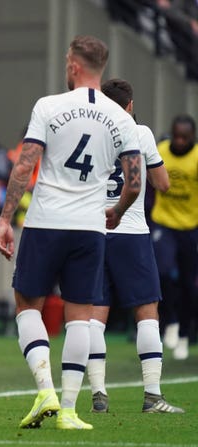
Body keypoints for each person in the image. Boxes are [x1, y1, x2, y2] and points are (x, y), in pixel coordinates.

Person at [0, 35, 142, 430]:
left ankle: (44, 389)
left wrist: (6, 217)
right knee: (80, 317)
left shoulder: (49, 106)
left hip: (46, 222)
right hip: (90, 227)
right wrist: (117, 211)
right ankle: (71, 411)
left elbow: (25, 165)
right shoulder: (122, 119)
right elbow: (135, 182)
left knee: (28, 305)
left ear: (75, 66)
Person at [87, 78, 184, 414]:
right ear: (129, 105)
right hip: (130, 232)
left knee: (95, 316)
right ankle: (152, 395)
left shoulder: (90, 133)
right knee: (146, 312)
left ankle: (98, 394)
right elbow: (163, 183)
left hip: (95, 232)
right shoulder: (139, 132)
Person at [150, 113, 198, 360]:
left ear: (192, 137)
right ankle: (169, 321)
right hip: (164, 223)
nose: (179, 141)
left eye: (184, 137)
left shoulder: (196, 157)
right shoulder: (161, 151)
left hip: (190, 226)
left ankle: (183, 335)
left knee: (190, 285)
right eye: (176, 135)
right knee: (163, 273)